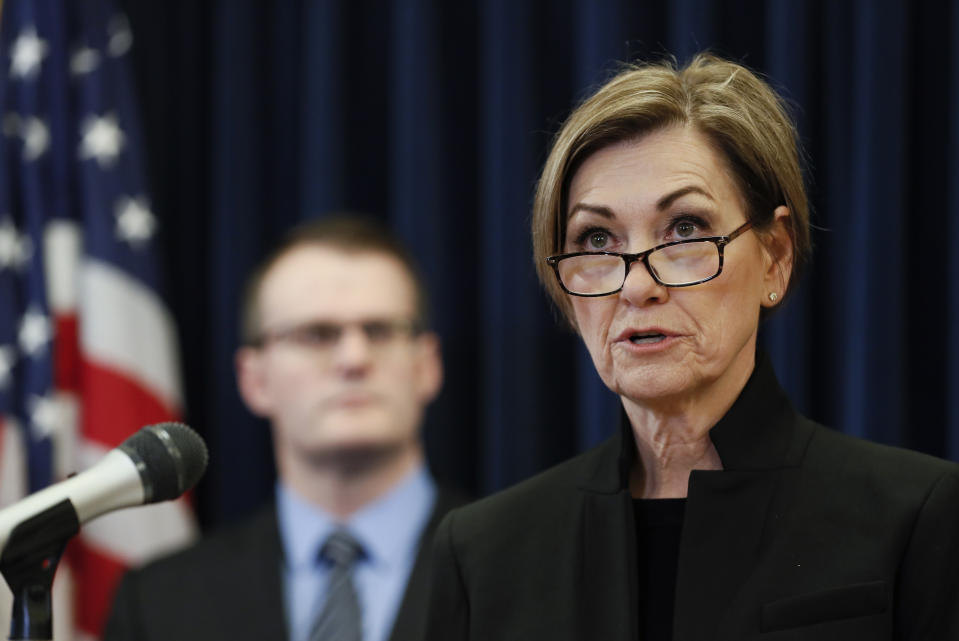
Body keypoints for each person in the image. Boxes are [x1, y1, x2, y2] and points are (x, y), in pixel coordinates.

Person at [424, 54, 959, 640]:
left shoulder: (916, 517)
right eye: (597, 239)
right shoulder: (481, 553)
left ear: (775, 255)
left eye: (685, 230)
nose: (637, 286)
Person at [105, 215, 464, 641]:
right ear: (254, 379)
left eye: (380, 331)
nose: (353, 358)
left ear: (426, 366)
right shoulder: (159, 601)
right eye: (316, 335)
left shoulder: (515, 565)